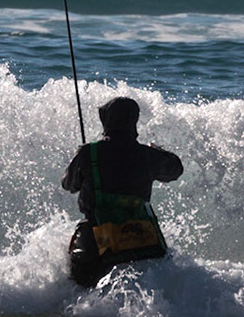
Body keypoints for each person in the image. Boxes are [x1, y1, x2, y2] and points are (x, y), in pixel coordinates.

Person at [61, 95, 182, 288]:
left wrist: (85, 162)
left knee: (79, 283)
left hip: (97, 237)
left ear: (106, 121)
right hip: (140, 238)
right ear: (133, 121)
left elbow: (68, 185)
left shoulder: (89, 153)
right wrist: (156, 149)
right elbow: (176, 170)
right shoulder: (148, 155)